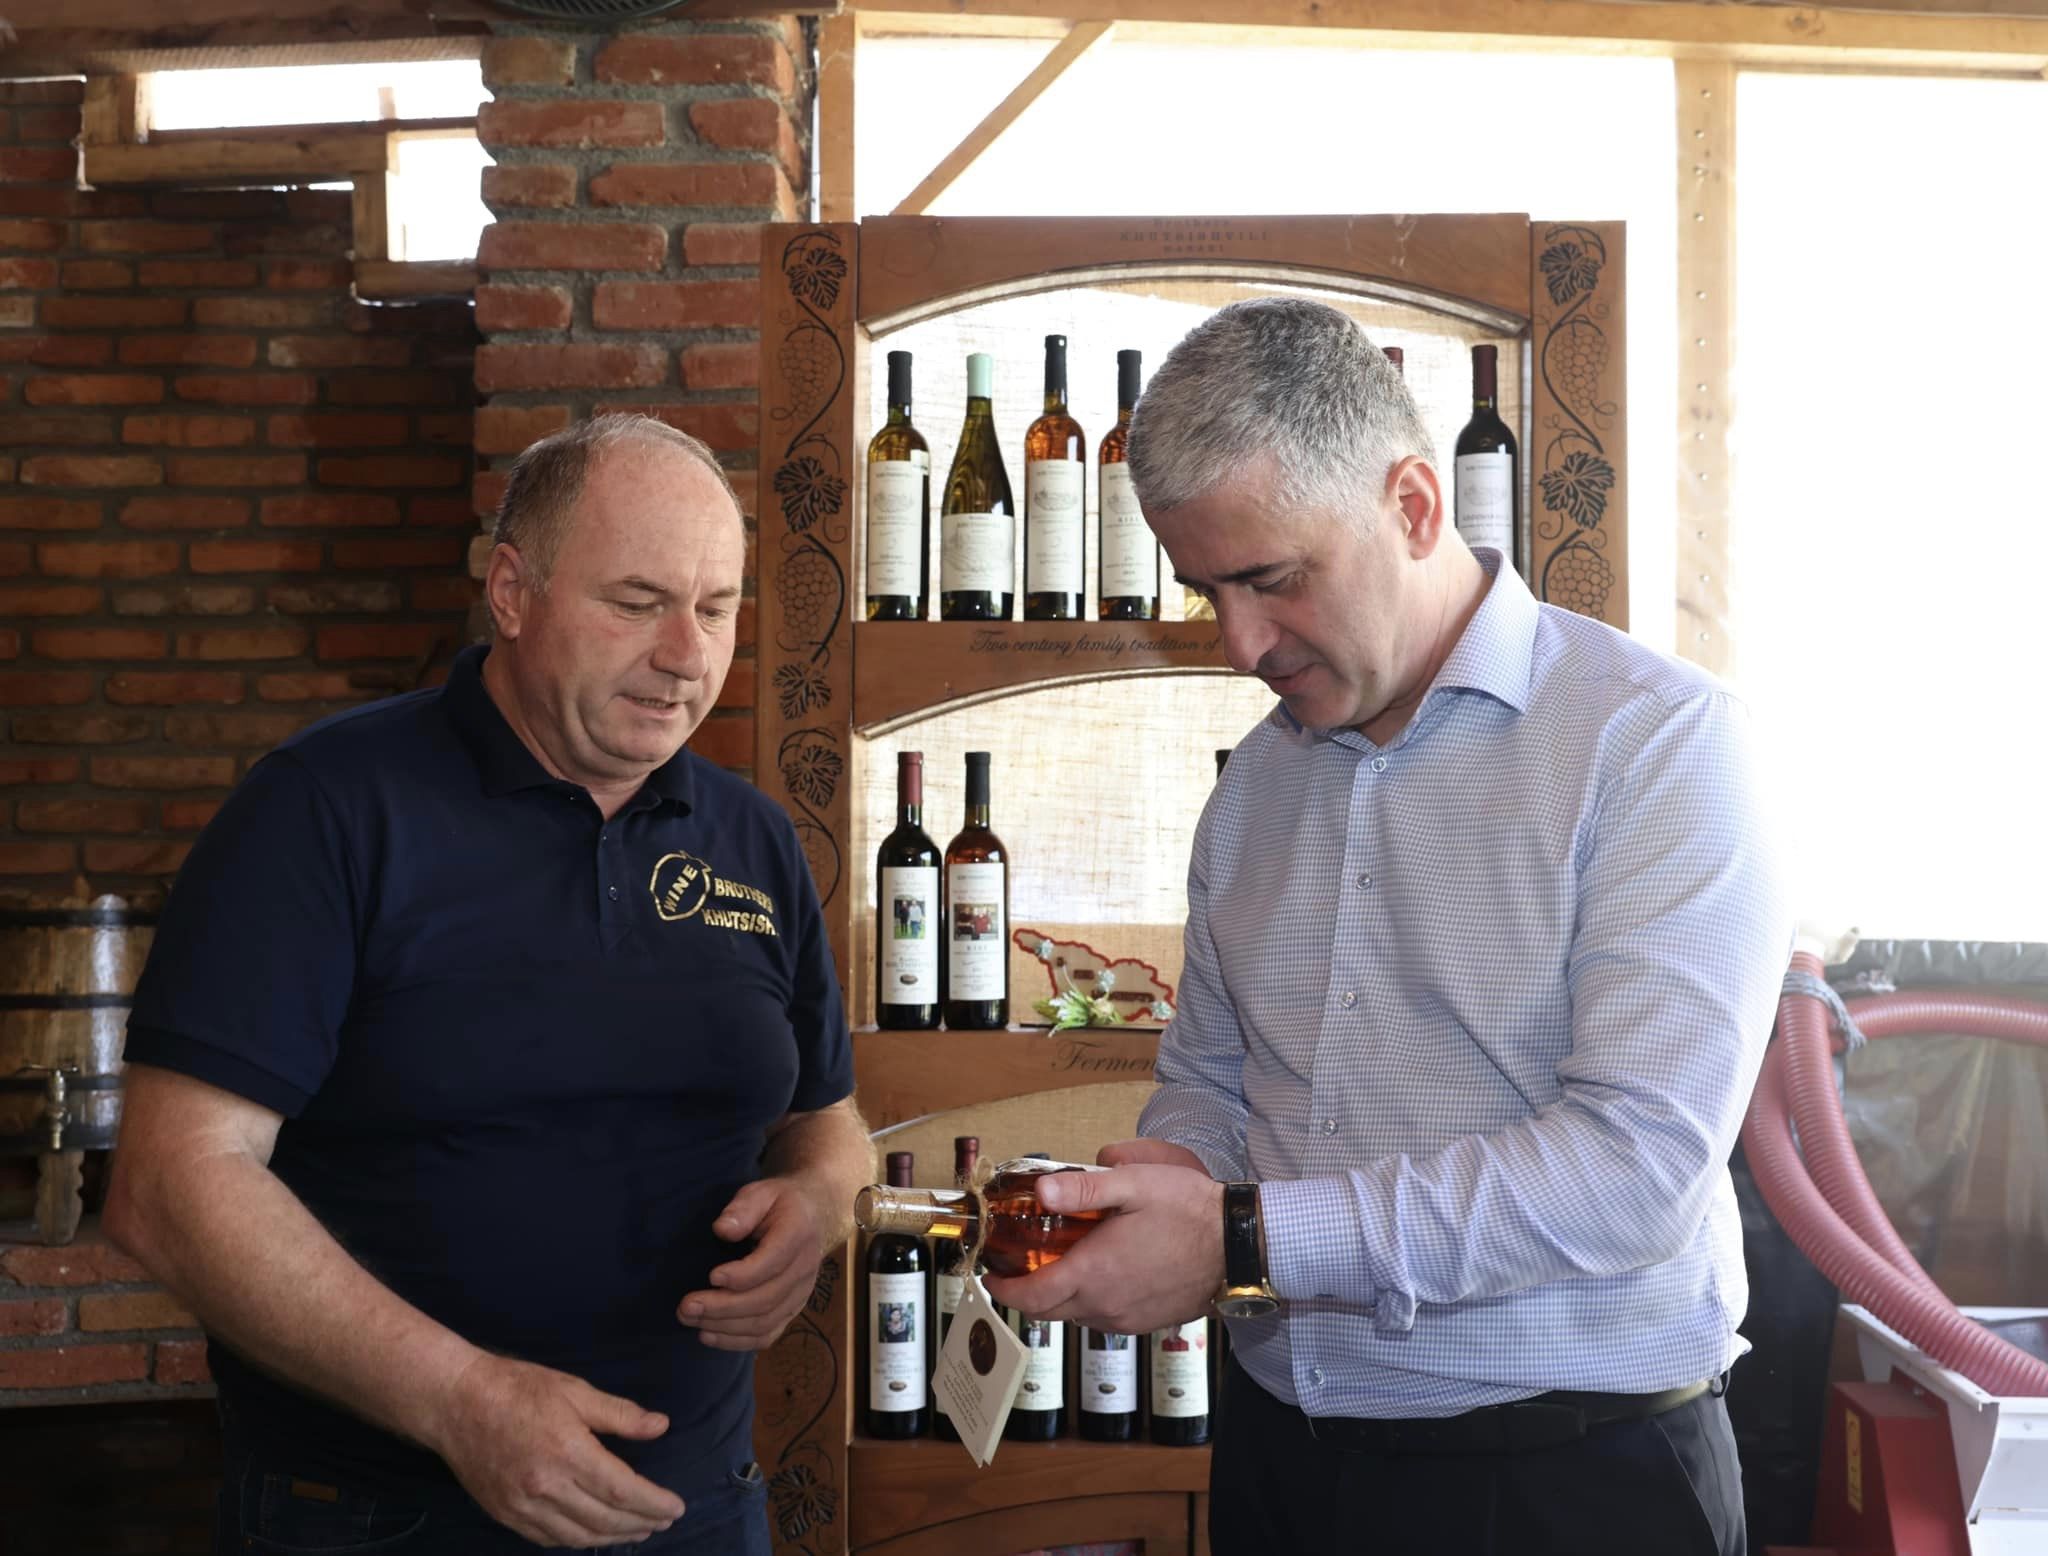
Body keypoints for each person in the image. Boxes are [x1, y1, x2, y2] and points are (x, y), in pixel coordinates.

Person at [984, 299, 1788, 1556]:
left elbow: (1632, 1168)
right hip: (1284, 1463)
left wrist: (1242, 1238)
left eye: (1271, 579)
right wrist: (1169, 1178)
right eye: (1205, 590)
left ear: (1413, 505)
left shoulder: (1654, 745)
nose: (1238, 643)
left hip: (1568, 1482)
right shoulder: (1254, 787)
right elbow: (1211, 1077)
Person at [104, 414, 873, 1555]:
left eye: (716, 609)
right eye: (637, 602)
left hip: (696, 1510)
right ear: (511, 592)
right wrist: (459, 1398)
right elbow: (171, 1182)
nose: (686, 653)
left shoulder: (753, 839)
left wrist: (817, 1204)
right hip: (379, 1519)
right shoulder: (324, 809)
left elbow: (830, 1124)